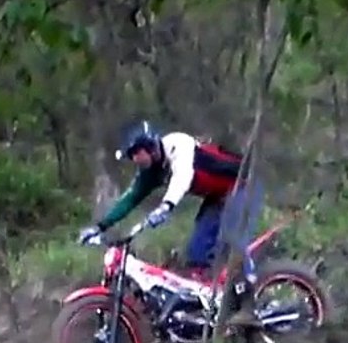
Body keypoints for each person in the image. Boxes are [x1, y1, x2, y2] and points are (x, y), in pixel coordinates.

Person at [79, 121, 261, 326]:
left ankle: (249, 307)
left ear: (149, 147)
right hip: (219, 196)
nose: (134, 160)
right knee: (198, 252)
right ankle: (214, 306)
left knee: (233, 240)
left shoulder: (178, 144)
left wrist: (166, 206)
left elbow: (183, 177)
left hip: (243, 186)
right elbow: (130, 198)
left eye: (135, 153)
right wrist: (100, 226)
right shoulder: (151, 171)